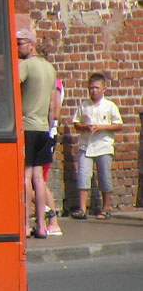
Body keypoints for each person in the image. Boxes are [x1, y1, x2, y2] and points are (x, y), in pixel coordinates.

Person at [17, 26, 56, 239]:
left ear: (32, 44)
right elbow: (52, 105)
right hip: (42, 128)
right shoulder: (50, 68)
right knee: (39, 178)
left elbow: (14, 89)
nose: (17, 47)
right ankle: (41, 225)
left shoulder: (26, 66)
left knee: (26, 176)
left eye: (20, 43)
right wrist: (48, 127)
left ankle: (24, 225)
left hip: (28, 127)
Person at [71, 72, 123, 220]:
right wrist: (85, 127)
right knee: (83, 175)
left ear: (104, 89)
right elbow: (76, 123)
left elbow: (118, 125)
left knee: (105, 177)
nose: (93, 91)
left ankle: (106, 208)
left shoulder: (109, 106)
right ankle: (82, 208)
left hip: (104, 146)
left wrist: (101, 127)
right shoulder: (84, 105)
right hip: (86, 145)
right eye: (91, 88)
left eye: (96, 88)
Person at [42, 76, 65, 234]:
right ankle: (44, 219)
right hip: (44, 133)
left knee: (38, 181)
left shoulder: (53, 81)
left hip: (47, 134)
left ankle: (53, 220)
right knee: (37, 181)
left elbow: (55, 112)